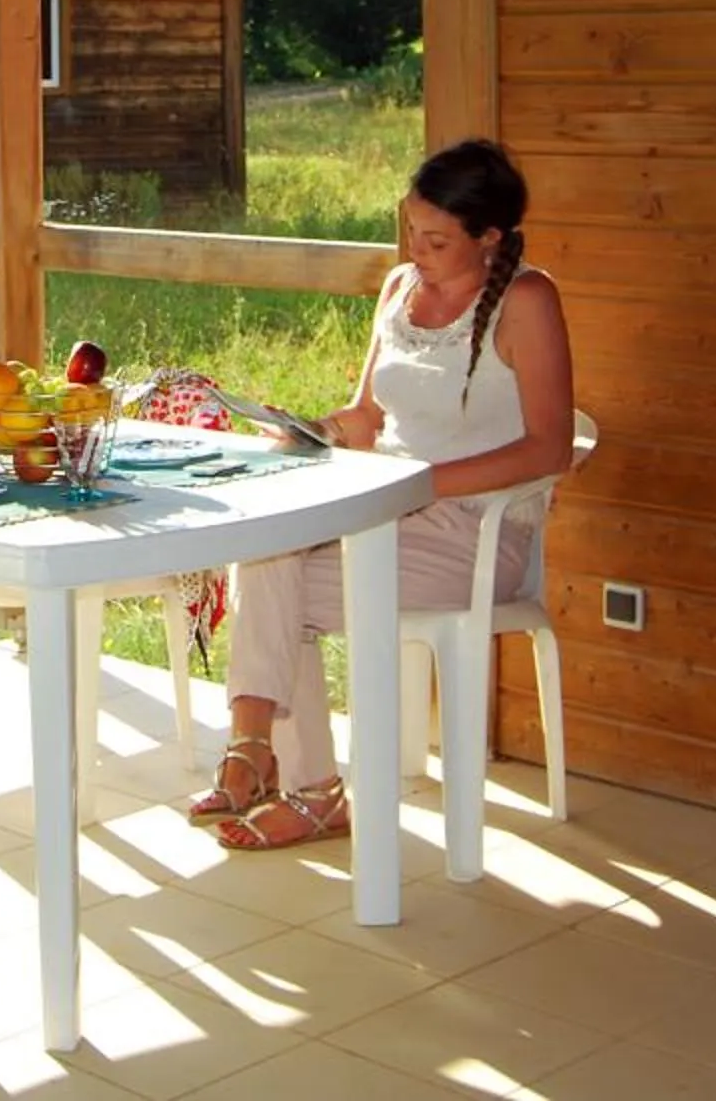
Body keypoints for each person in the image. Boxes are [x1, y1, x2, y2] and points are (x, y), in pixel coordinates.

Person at [188, 137, 583, 850]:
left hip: (475, 533)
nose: (417, 248)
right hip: (389, 512)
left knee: (279, 589)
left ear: (489, 238)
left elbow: (549, 448)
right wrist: (313, 431)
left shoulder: (526, 300)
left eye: (436, 239)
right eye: (411, 228)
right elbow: (368, 416)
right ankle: (262, 757)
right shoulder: (401, 288)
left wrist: (423, 483)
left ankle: (291, 779)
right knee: (270, 554)